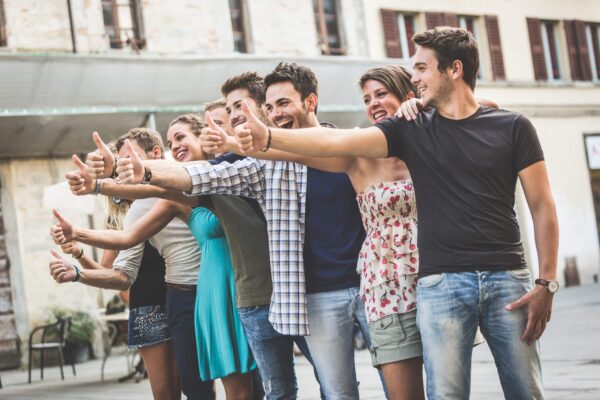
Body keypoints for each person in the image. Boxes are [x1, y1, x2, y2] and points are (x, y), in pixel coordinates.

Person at [231, 26, 559, 400]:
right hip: (436, 283)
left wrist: (546, 282)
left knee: (527, 392)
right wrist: (267, 139)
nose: (415, 77)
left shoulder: (507, 126)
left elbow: (541, 204)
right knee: (444, 394)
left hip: (506, 276)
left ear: (453, 69)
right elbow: (335, 141)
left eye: (420, 68)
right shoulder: (407, 132)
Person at [51, 128, 216, 400]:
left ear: (154, 155)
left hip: (197, 294)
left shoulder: (182, 181)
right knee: (170, 393)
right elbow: (119, 272)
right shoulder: (131, 212)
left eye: (131, 160)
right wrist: (79, 259)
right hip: (154, 304)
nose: (125, 169)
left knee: (202, 384)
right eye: (120, 163)